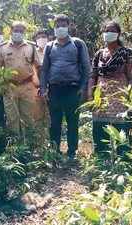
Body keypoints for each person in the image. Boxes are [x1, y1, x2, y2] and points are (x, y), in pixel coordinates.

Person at [88, 21, 132, 158]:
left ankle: (123, 157)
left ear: (118, 34)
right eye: (106, 30)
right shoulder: (99, 54)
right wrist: (90, 94)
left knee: (122, 127)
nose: (108, 33)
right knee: (100, 126)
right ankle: (102, 156)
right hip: (101, 96)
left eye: (112, 30)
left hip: (120, 97)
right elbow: (92, 76)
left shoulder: (126, 54)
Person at [39, 14, 92, 160]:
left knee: (72, 121)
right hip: (54, 89)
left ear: (69, 26)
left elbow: (87, 68)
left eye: (63, 25)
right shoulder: (49, 46)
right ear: (54, 28)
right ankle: (54, 151)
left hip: (72, 89)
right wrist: (43, 88)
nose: (60, 28)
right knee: (54, 122)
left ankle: (72, 152)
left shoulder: (78, 44)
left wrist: (83, 87)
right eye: (57, 26)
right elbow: (44, 69)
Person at [0, 21, 45, 137]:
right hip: (9, 87)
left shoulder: (31, 47)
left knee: (28, 117)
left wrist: (41, 85)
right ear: (11, 31)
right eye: (16, 30)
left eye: (21, 31)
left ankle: (30, 146)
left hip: (27, 87)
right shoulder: (3, 48)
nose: (18, 33)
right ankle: (15, 147)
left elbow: (39, 67)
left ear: (24, 32)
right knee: (12, 119)